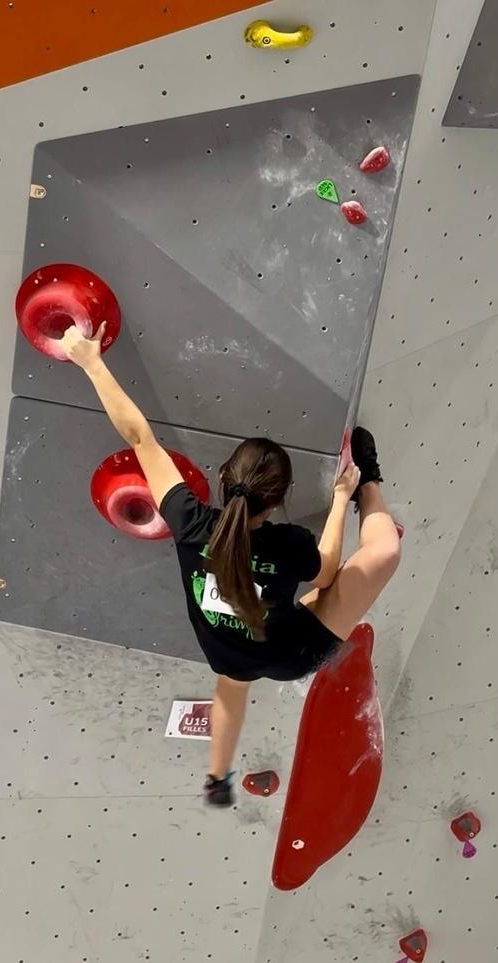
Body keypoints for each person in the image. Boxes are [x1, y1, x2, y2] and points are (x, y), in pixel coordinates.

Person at [62, 322, 402, 807]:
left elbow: (140, 439)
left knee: (232, 688)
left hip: (231, 650)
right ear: (281, 500)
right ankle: (369, 486)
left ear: (222, 477)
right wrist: (341, 498)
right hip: (288, 648)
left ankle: (218, 779)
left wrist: (90, 361)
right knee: (382, 554)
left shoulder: (191, 523)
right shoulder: (287, 543)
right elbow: (326, 571)